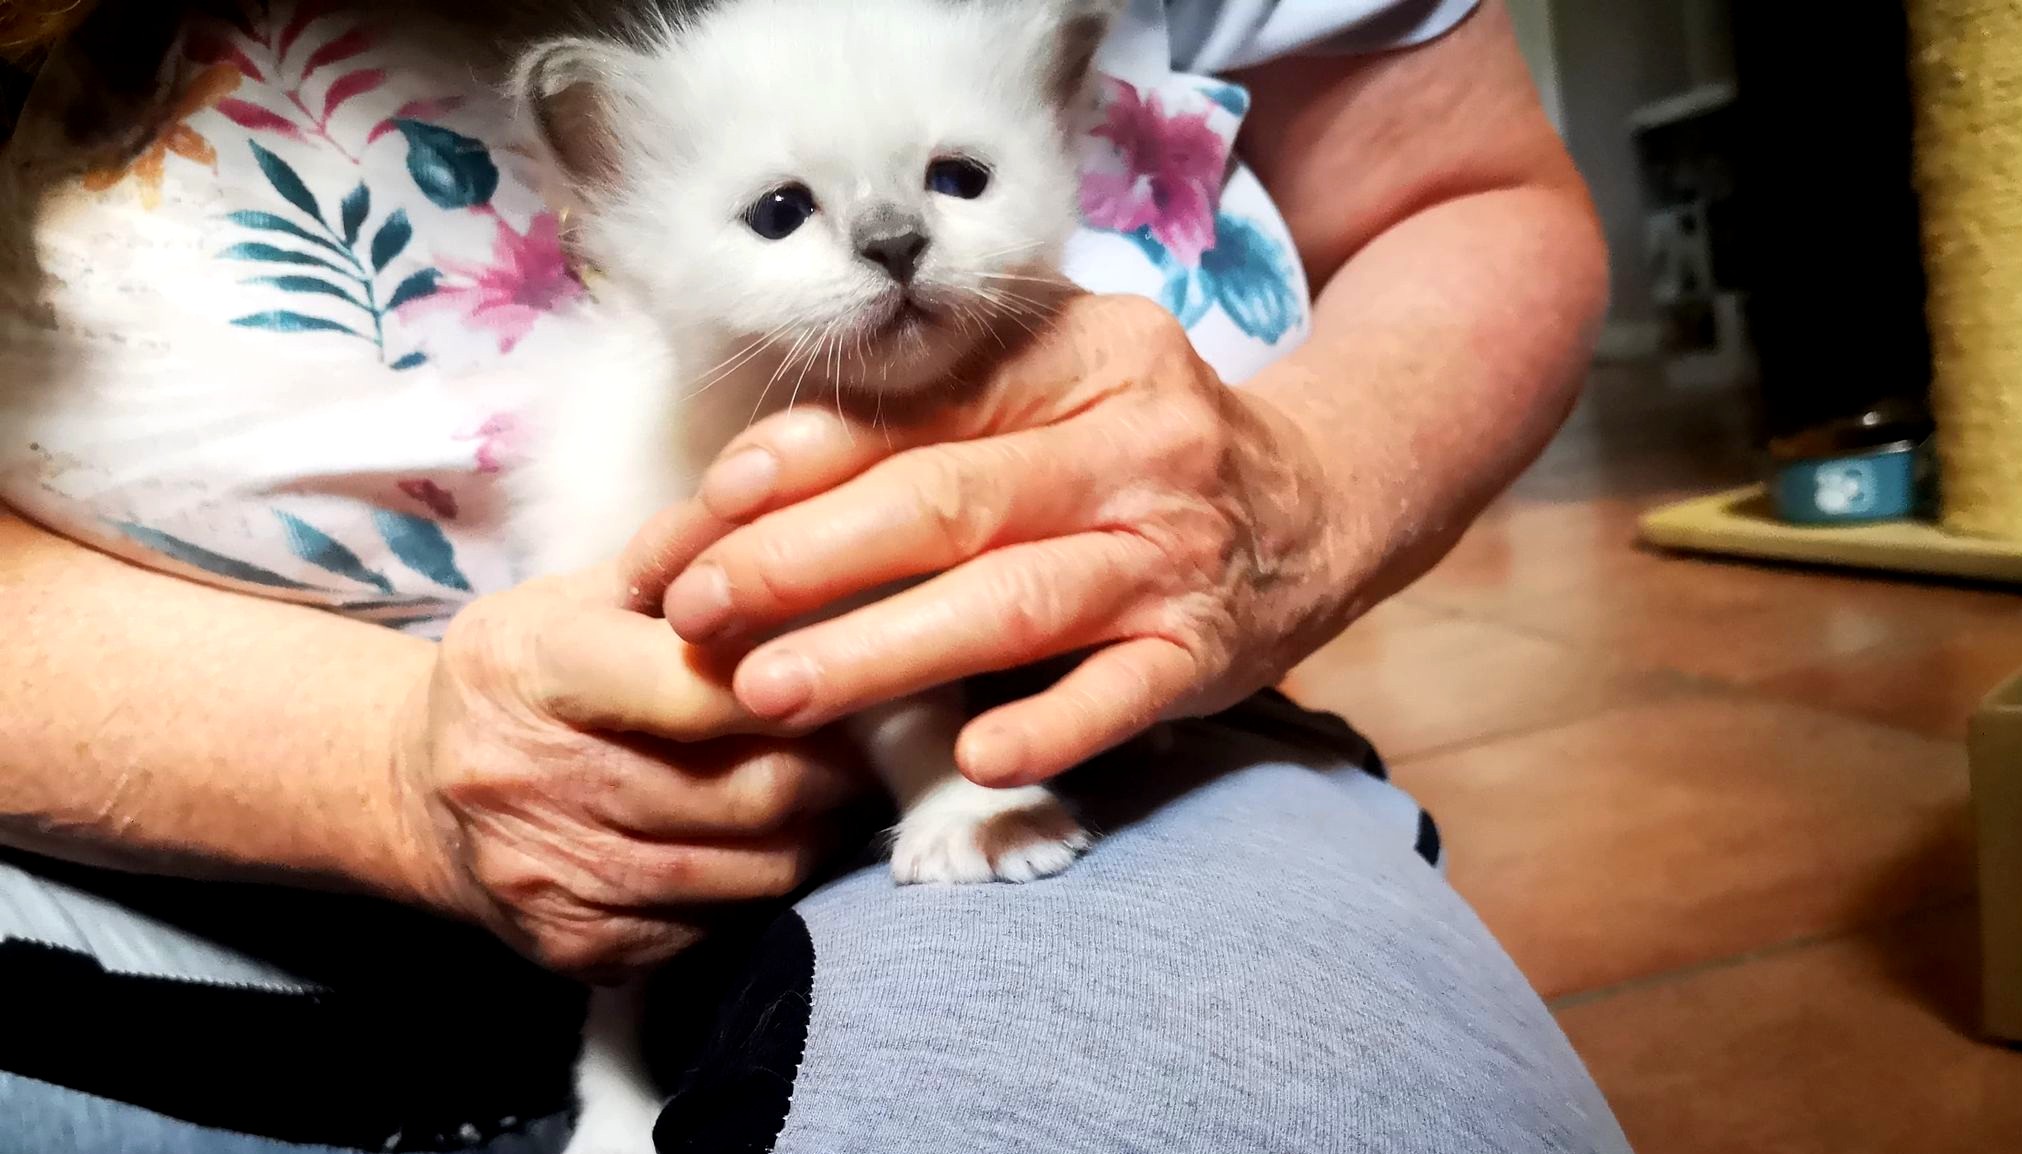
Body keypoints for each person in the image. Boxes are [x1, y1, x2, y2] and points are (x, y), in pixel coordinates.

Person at [0, 0, 1626, 1151]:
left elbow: (1470, 192)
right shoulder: (657, 385)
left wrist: (1299, 490)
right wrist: (381, 766)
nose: (896, 242)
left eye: (958, 183)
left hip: (1076, 776)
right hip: (137, 870)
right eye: (784, 211)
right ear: (612, 216)